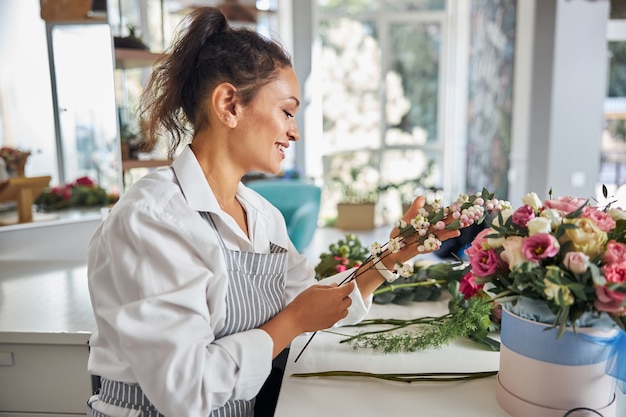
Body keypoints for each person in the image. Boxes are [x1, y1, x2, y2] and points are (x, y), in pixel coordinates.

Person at [85, 7, 460, 417]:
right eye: (286, 111)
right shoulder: (153, 219)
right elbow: (185, 390)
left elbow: (311, 303)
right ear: (229, 104)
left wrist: (392, 256)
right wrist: (291, 322)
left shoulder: (261, 215)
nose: (294, 131)